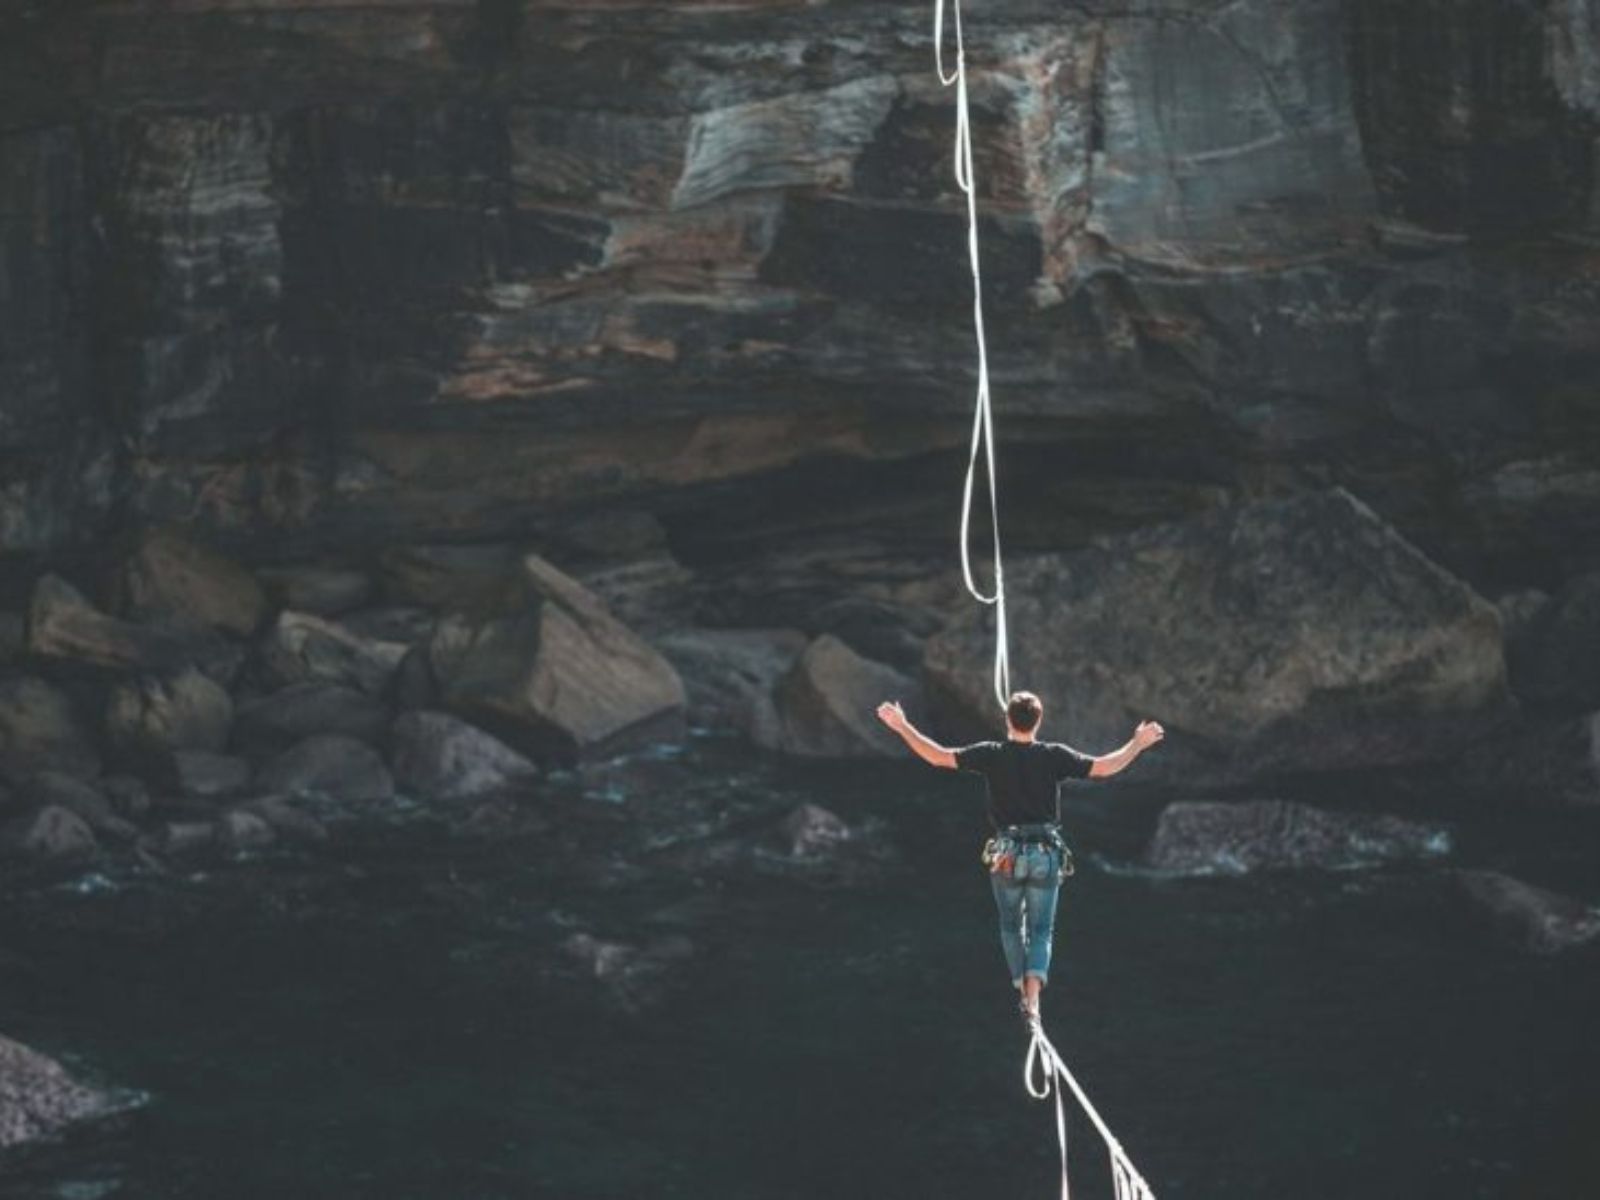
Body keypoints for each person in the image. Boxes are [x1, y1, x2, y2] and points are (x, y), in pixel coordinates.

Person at [875, 691, 1164, 1020]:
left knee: (1012, 928)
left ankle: (1021, 991)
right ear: (1039, 721)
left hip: (1007, 854)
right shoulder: (1054, 756)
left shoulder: (991, 754)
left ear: (1007, 719)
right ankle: (1033, 998)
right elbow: (1104, 768)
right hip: (1045, 853)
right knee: (1042, 931)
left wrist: (902, 726)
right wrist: (1138, 744)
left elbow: (938, 756)